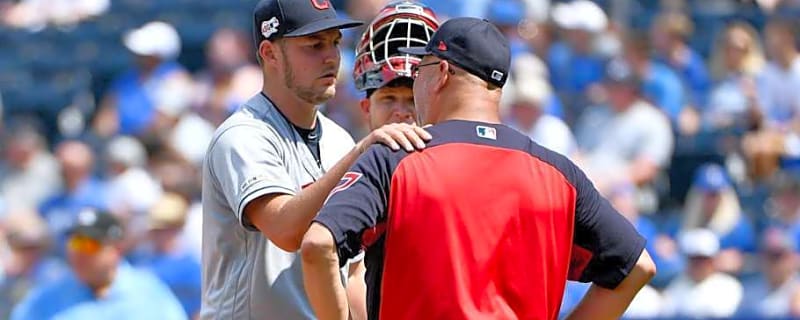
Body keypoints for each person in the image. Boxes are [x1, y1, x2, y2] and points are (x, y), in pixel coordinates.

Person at [300, 17, 656, 320]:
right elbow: (636, 267)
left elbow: (318, 246)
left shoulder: (396, 157)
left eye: (418, 72)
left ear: (440, 73)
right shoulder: (560, 173)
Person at [200, 0, 431, 319]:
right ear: (270, 54)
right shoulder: (242, 136)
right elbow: (286, 231)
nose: (331, 57)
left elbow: (351, 274)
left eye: (335, 42)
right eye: (314, 45)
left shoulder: (338, 140)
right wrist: (359, 153)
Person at [11, 209, 186, 320]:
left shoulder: (148, 293)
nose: (79, 253)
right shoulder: (47, 297)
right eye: (75, 243)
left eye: (89, 244)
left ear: (116, 248)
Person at [352, 1, 440, 130]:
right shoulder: (341, 145)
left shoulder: (460, 148)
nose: (402, 113)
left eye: (414, 100)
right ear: (367, 108)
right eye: (389, 98)